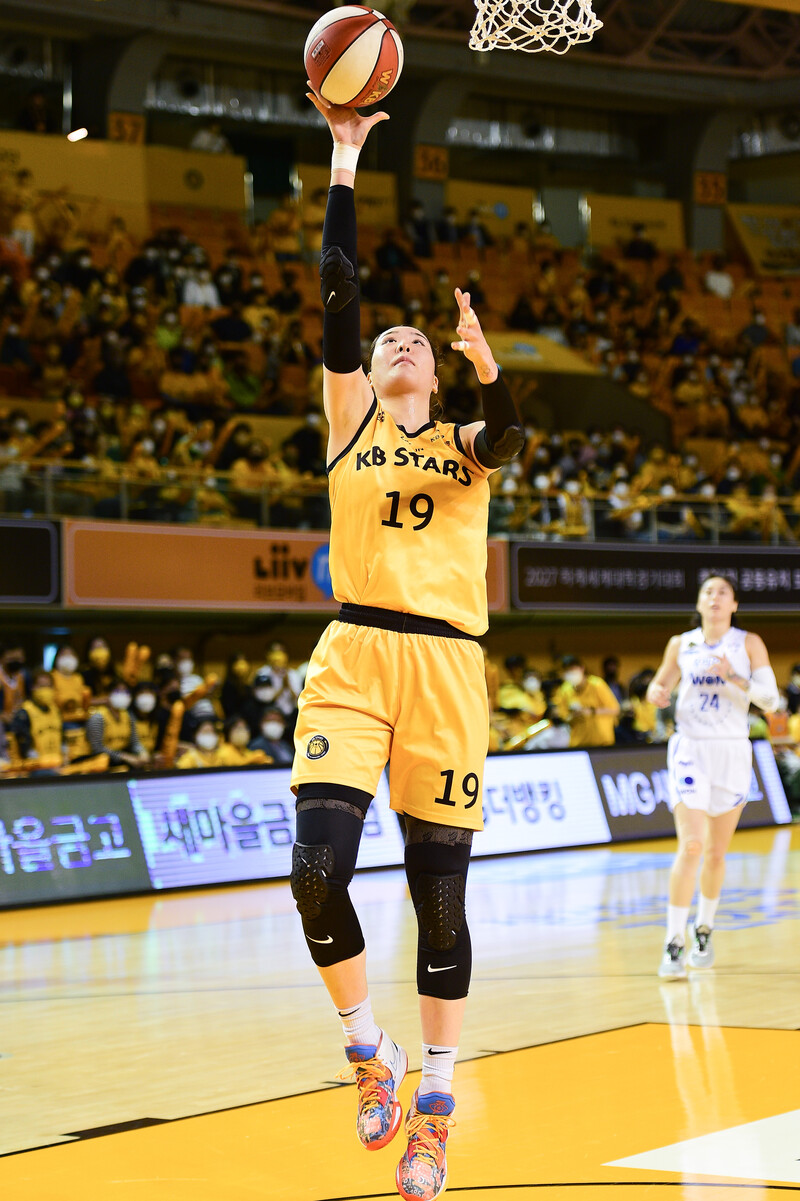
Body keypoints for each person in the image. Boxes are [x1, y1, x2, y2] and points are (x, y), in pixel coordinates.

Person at [289, 84, 524, 1201]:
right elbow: (338, 290)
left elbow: (511, 434)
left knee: (440, 903)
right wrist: (343, 158)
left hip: (445, 669)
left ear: (434, 373)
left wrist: (487, 364)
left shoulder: (469, 442)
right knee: (315, 874)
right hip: (352, 659)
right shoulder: (350, 422)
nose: (397, 343)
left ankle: (434, 1106)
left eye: (416, 342)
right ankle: (364, 1049)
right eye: (390, 339)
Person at [646, 576, 779, 980]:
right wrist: (656, 692)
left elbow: (771, 700)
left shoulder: (748, 643)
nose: (715, 597)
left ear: (734, 604)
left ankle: (703, 927)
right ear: (699, 603)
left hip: (732, 750)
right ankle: (673, 940)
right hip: (691, 748)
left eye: (723, 592)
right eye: (708, 591)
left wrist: (734, 676)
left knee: (716, 853)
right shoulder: (680, 643)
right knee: (692, 846)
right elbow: (660, 683)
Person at [553, 655, 620, 747]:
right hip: (578, 743)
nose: (571, 673)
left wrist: (591, 711)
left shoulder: (597, 684)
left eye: (573, 669)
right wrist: (573, 715)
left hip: (602, 742)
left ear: (582, 668)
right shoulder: (564, 690)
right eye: (568, 670)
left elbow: (615, 709)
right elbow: (564, 716)